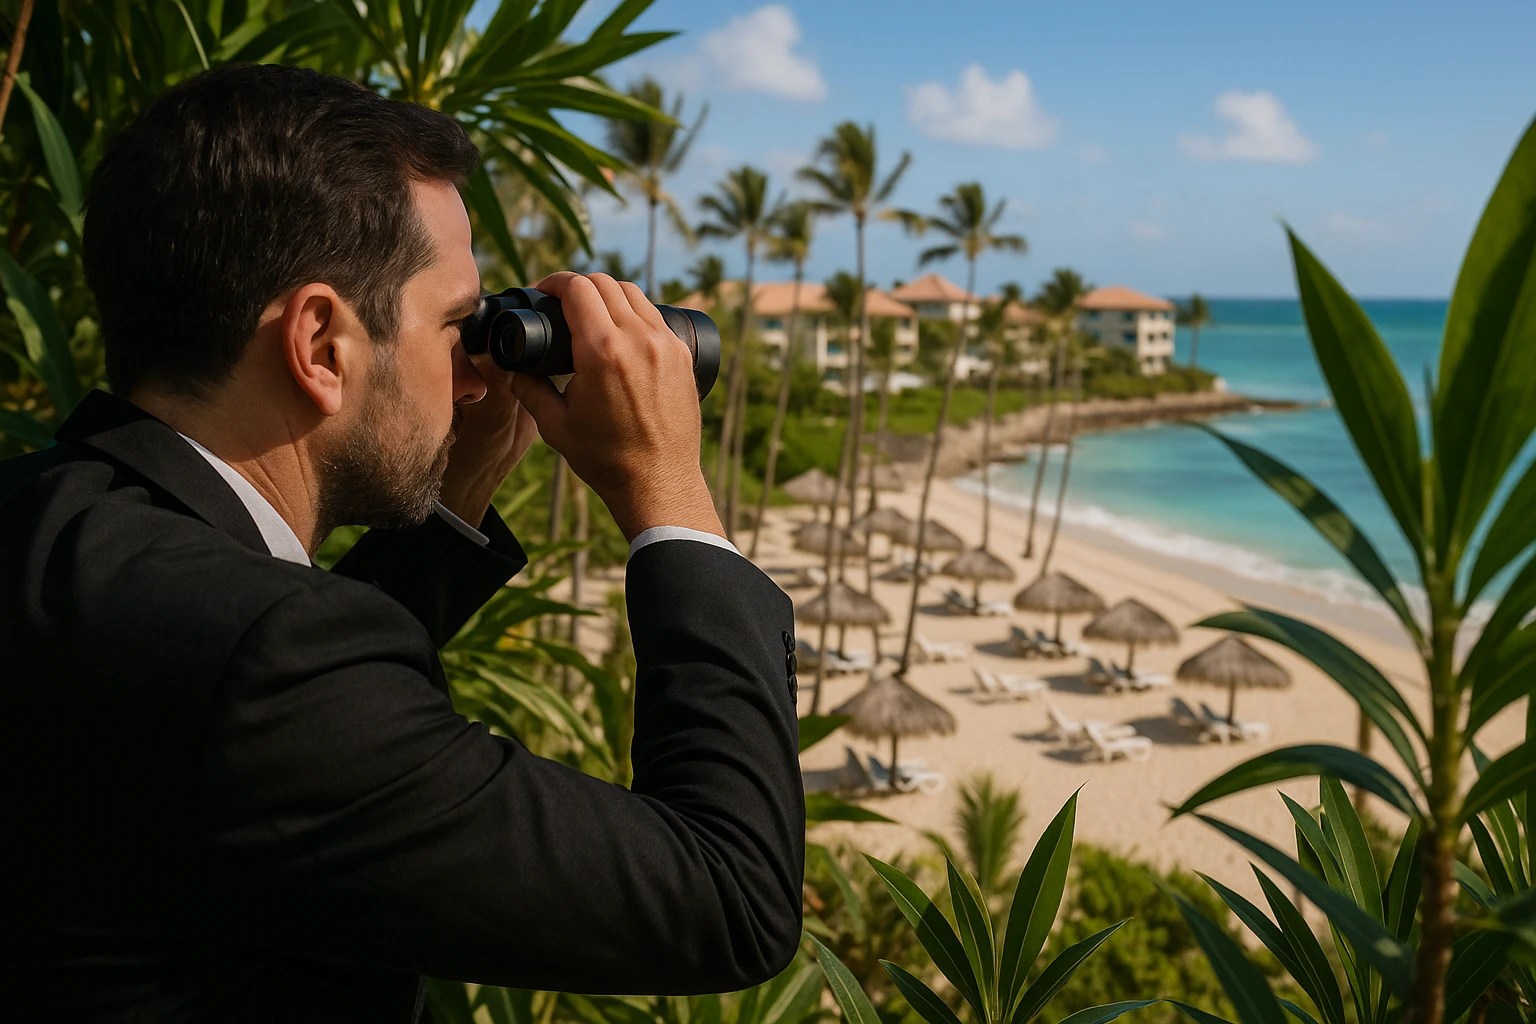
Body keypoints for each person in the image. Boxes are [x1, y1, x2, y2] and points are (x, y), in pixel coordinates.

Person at [0, 64, 803, 1022]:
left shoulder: (45, 519)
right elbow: (728, 895)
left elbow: (259, 737)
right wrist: (667, 490)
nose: (471, 372)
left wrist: (451, 491)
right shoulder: (267, 669)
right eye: (456, 324)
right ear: (321, 344)